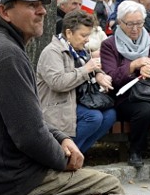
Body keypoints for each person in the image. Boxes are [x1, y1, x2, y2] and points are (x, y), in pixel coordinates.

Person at [0, 0, 123, 195]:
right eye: (32, 5)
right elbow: (29, 136)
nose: (42, 11)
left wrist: (61, 138)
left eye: (42, 5)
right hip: (2, 182)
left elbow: (27, 117)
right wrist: (63, 160)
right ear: (4, 11)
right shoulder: (5, 55)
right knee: (110, 185)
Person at [101, 1, 150, 182]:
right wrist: (134, 66)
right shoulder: (109, 44)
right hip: (126, 96)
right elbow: (111, 75)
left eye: (139, 23)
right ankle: (136, 150)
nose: (135, 28)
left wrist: (149, 65)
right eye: (130, 24)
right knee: (145, 110)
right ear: (120, 22)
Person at [36, 10, 116, 154]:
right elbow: (57, 83)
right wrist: (87, 69)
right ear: (69, 33)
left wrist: (99, 75)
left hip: (77, 101)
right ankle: (62, 155)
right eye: (84, 35)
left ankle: (75, 154)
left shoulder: (79, 50)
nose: (87, 40)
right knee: (93, 117)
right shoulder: (53, 52)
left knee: (110, 115)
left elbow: (88, 68)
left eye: (88, 35)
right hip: (56, 106)